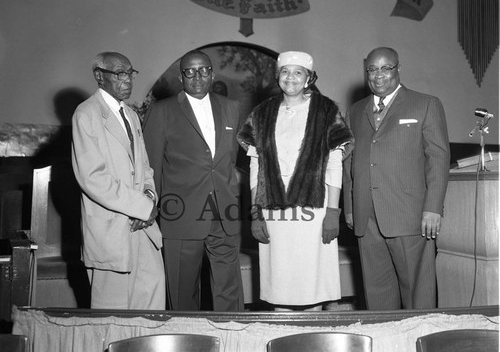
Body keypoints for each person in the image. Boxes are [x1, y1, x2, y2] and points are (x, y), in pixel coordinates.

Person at [237, 51, 354, 310]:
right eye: (285, 71)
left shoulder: (326, 110)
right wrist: (256, 212)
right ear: (277, 76)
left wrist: (333, 212)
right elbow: (256, 164)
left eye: (298, 72)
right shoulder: (262, 113)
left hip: (315, 209)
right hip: (274, 211)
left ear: (309, 78)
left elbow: (334, 163)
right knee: (280, 286)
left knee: (311, 287)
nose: (291, 77)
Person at [343, 46, 450, 310]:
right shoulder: (355, 111)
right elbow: (348, 163)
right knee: (377, 295)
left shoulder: (426, 104)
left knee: (418, 294)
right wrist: (349, 207)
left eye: (386, 68)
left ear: (398, 69)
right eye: (372, 69)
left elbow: (438, 160)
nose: (379, 75)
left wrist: (433, 209)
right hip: (366, 217)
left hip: (411, 216)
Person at [142, 50, 244, 312]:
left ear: (212, 74)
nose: (197, 76)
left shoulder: (231, 108)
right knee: (183, 293)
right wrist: (151, 209)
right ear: (180, 76)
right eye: (190, 71)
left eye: (203, 70)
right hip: (181, 214)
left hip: (224, 213)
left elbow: (231, 159)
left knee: (229, 292)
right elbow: (151, 167)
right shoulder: (162, 110)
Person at [71, 51, 165, 309]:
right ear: (99, 76)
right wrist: (142, 208)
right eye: (120, 73)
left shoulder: (131, 115)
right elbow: (93, 178)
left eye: (130, 73)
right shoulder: (86, 114)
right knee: (111, 318)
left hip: (143, 229)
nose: (127, 80)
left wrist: (149, 197)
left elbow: (145, 168)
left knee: (152, 310)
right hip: (111, 232)